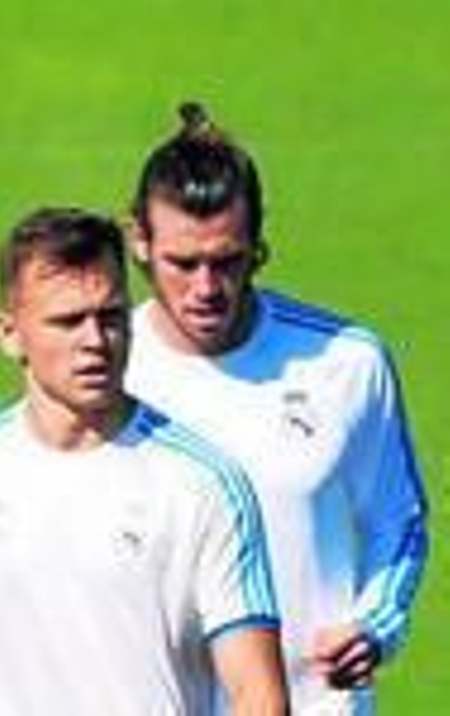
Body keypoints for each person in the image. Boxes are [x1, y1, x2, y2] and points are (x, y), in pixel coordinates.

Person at [0, 208, 288, 715]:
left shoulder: (203, 484)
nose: (95, 341)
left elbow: (259, 696)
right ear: (10, 334)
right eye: (68, 321)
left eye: (110, 317)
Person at [124, 103, 429, 713]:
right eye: (183, 263)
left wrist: (374, 624)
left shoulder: (344, 362)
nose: (206, 288)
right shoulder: (107, 371)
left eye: (227, 261)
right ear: (140, 242)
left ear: (258, 247)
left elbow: (399, 520)